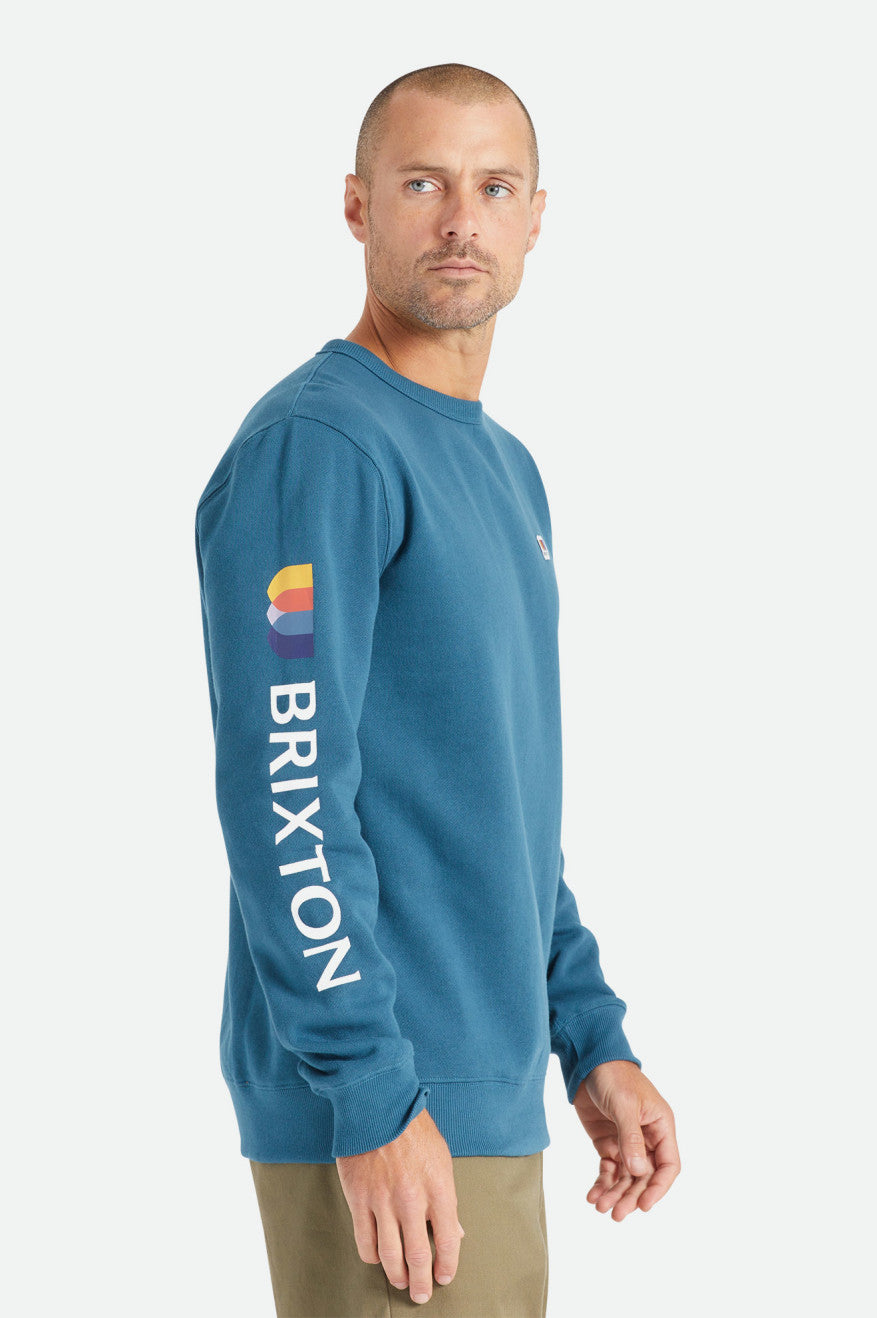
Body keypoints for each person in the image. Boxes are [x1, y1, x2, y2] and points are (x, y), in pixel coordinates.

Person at [195, 62, 680, 1317]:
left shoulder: (506, 472)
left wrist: (589, 1032)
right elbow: (286, 790)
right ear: (357, 206)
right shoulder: (321, 447)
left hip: (482, 1096)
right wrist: (369, 1089)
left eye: (493, 187)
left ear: (535, 217)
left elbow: (497, 802)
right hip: (389, 1108)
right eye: (423, 184)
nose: (462, 220)